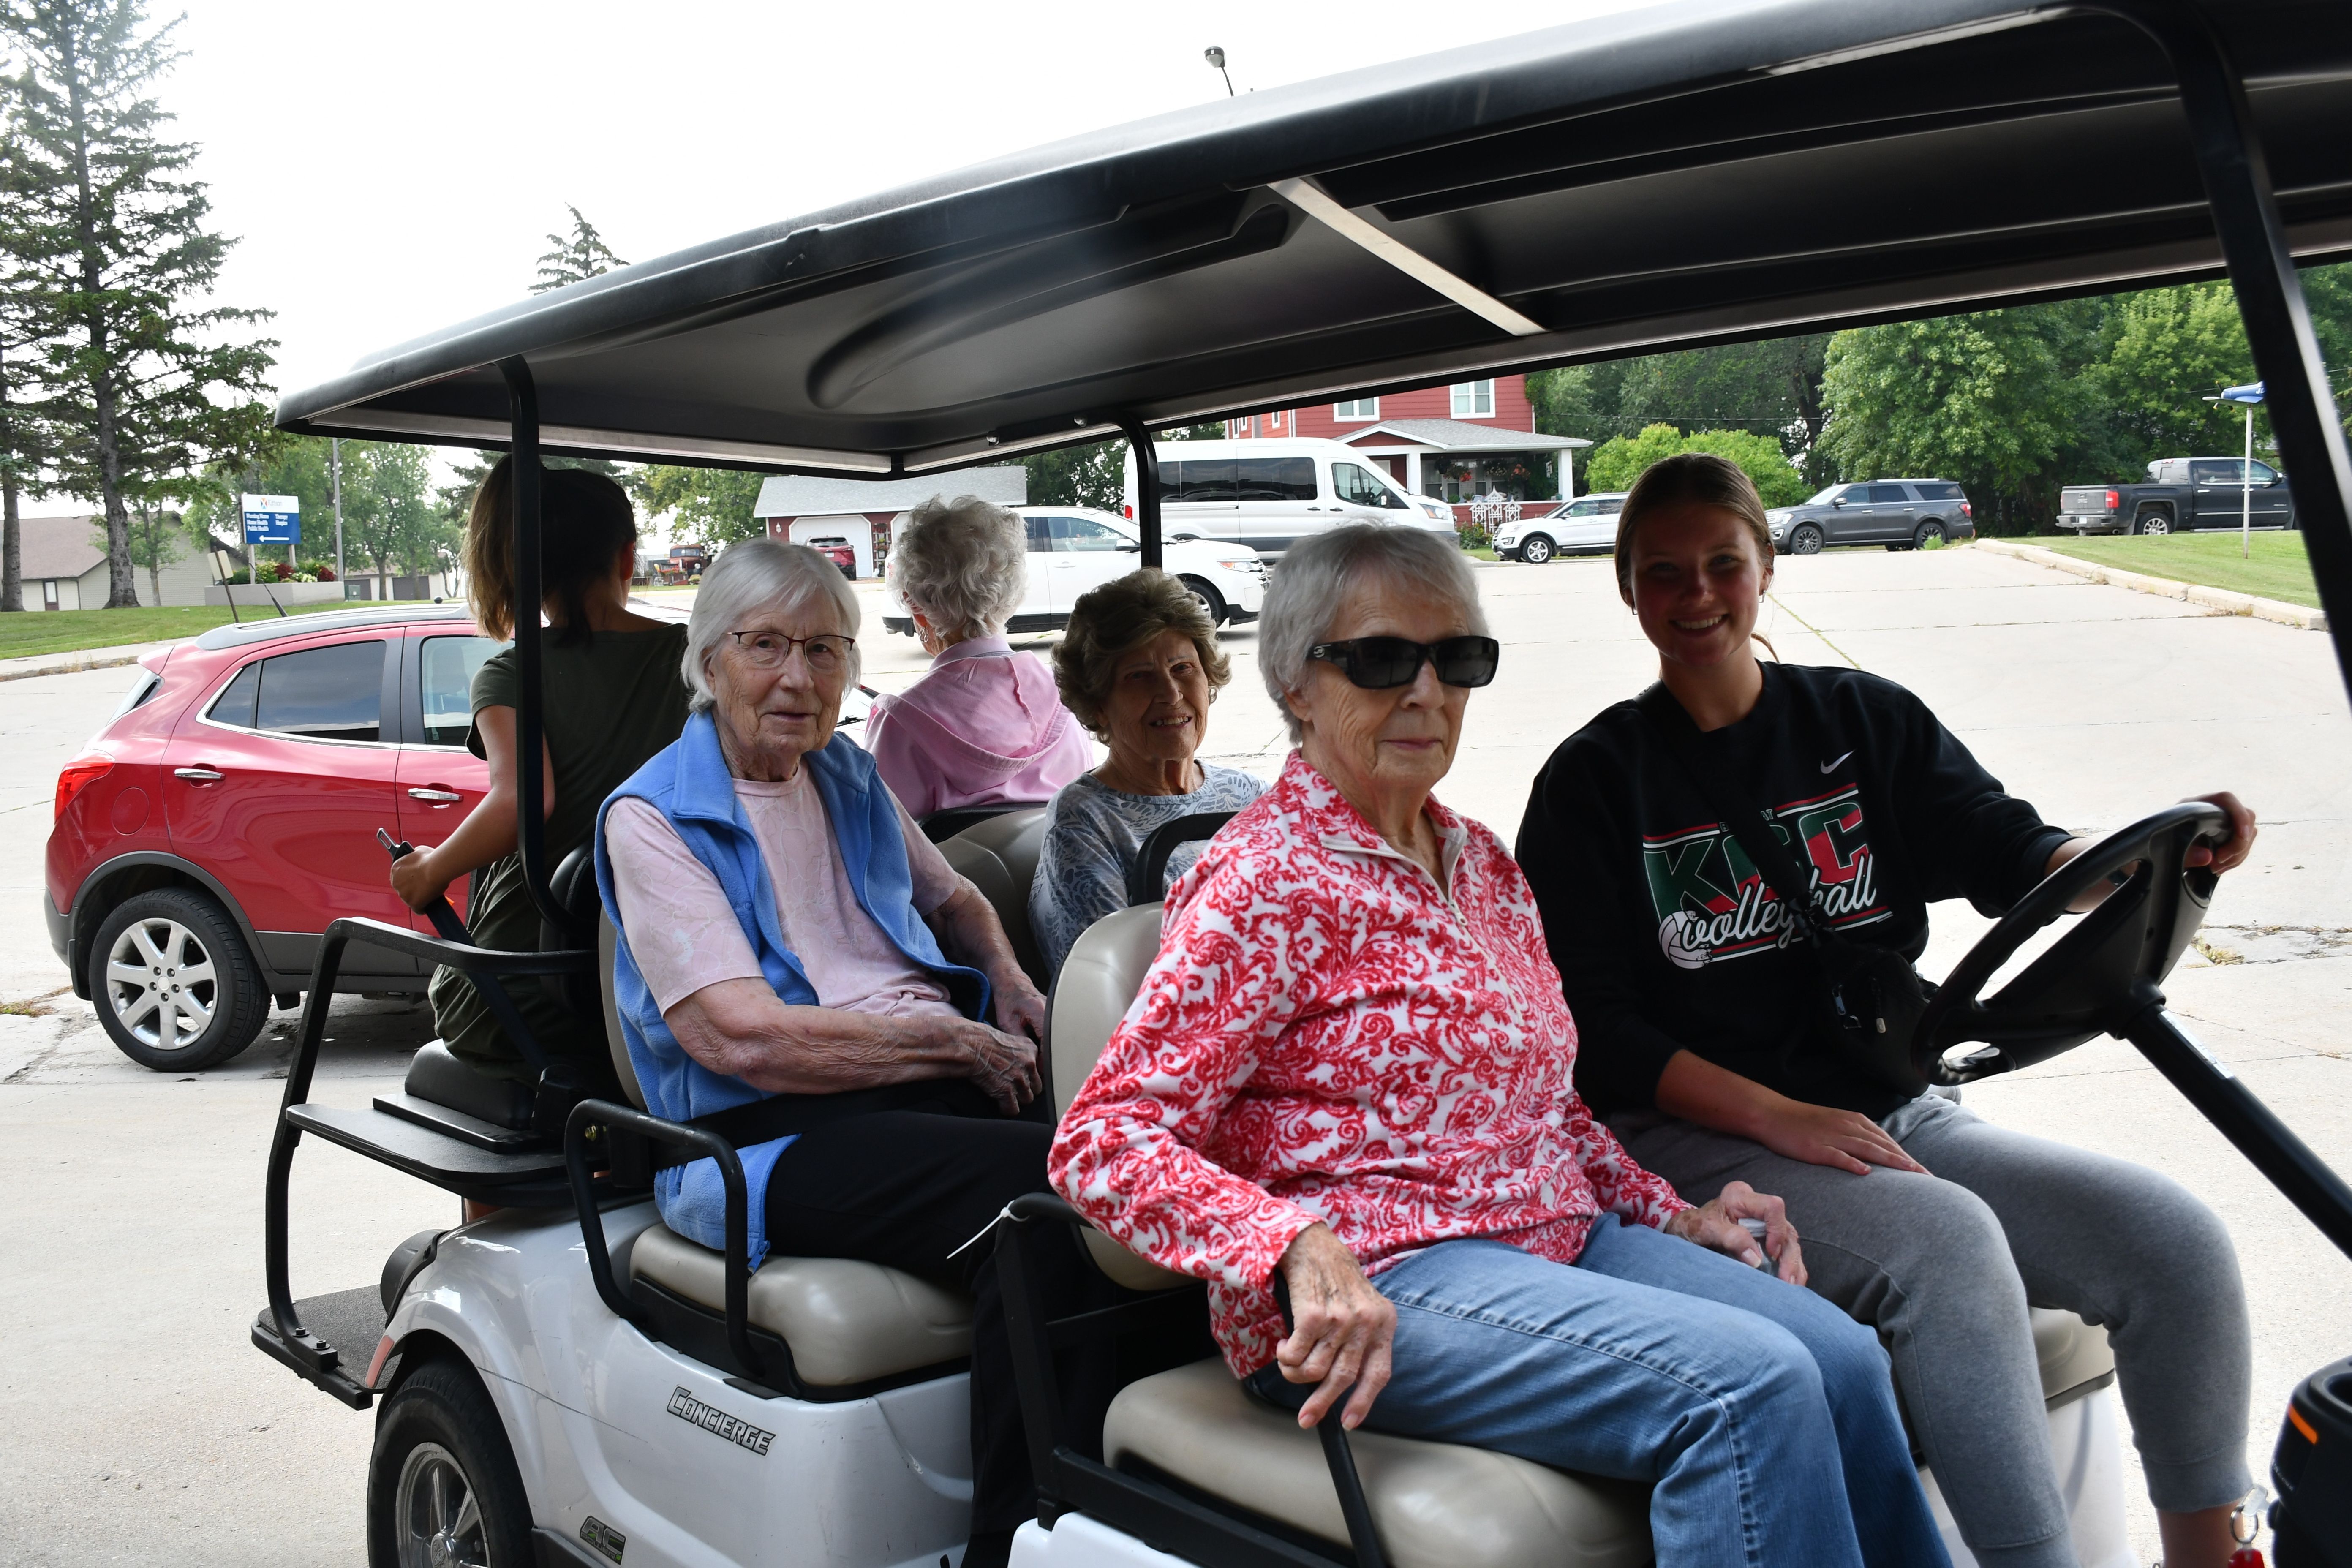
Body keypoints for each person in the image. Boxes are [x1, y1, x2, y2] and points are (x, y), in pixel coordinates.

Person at [1051, 524, 1949, 1568]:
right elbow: (1101, 1143)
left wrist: (1682, 1215)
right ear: (1296, 684)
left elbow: (1551, 1111)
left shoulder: (1479, 861)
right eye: (1384, 659)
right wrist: (1288, 1243)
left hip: (1554, 1241)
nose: (1426, 691)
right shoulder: (1261, 884)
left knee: (1839, 1356)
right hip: (1373, 1285)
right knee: (1747, 1387)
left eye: (1458, 659)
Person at [1515, 454, 2259, 1568]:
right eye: (1665, 574)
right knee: (1949, 1248)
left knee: (2171, 1242)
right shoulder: (1594, 783)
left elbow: (2005, 845)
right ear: (1630, 591)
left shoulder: (1861, 721)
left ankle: (2212, 1550)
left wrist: (2134, 864)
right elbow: (1596, 1032)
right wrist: (1776, 1116)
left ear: (1766, 567)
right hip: (1697, 1138)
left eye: (1724, 564)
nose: (1699, 596)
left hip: (1884, 1107)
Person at [592, 539, 1104, 1568]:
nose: (798, 677)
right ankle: (1014, 1542)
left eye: (826, 650)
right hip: (752, 1138)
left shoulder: (845, 771)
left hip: (913, 1088)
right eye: (766, 646)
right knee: (1049, 1201)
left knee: (1142, 1159)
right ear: (707, 659)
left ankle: (1115, 1510)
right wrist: (944, 1038)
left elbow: (954, 897)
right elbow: (735, 1034)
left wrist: (1007, 981)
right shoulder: (654, 816)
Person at [390, 458, 689, 1092]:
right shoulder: (697, 662)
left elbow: (525, 799)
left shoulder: (509, 672)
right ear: (627, 558)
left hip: (527, 991)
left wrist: (428, 871)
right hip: (669, 977)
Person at [1029, 570, 1265, 977]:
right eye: (1139, 676)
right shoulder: (1084, 821)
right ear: (1098, 703)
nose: (1171, 694)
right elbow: (1112, 987)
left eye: (1183, 668)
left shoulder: (1251, 795)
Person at [867, 495, 1094, 819]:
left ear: (916, 606)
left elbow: (880, 847)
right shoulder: (1070, 700)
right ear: (1011, 596)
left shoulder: (900, 725)